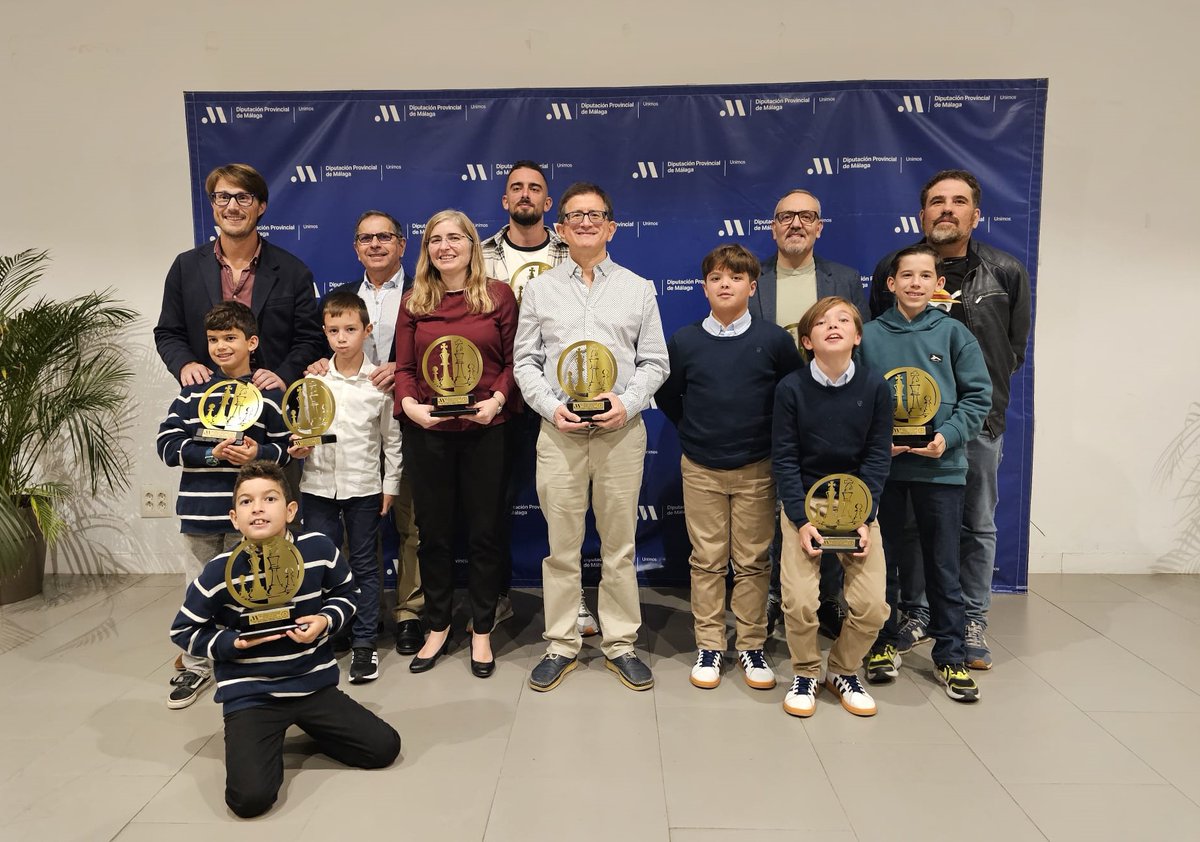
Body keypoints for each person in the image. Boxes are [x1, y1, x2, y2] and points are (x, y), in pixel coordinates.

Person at [169, 461, 401, 818]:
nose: (258, 508)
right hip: (252, 696)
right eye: (246, 502)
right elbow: (183, 630)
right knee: (249, 801)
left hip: (313, 687)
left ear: (290, 510)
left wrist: (325, 619)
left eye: (269, 498)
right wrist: (232, 644)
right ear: (234, 517)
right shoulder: (219, 570)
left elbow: (348, 592)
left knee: (384, 748)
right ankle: (263, 736)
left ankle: (311, 726)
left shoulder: (318, 549)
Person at [869, 170, 1031, 670]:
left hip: (976, 426)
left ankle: (970, 619)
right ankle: (916, 614)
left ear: (975, 214)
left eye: (958, 202)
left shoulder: (1004, 271)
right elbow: (883, 347)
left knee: (976, 524)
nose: (947, 209)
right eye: (936, 202)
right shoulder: (890, 268)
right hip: (904, 434)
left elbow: (1014, 349)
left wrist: (962, 415)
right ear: (922, 214)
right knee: (910, 526)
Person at [514, 182, 669, 692]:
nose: (584, 222)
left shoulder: (638, 287)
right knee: (561, 547)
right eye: (574, 216)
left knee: (619, 546)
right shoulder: (539, 289)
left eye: (595, 215)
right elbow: (526, 362)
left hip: (621, 434)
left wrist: (625, 403)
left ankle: (621, 643)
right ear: (560, 228)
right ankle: (561, 643)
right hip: (558, 434)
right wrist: (552, 408)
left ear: (611, 226)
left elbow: (655, 362)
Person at [656, 244, 799, 691]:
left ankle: (752, 644)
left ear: (752, 287)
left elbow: (791, 396)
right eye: (716, 277)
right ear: (704, 287)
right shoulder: (684, 341)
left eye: (735, 278)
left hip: (757, 467)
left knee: (754, 562)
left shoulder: (774, 340)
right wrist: (695, 432)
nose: (725, 284)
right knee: (707, 561)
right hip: (701, 467)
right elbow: (667, 396)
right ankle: (710, 644)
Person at [861, 245, 991, 702]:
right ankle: (881, 644)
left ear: (938, 284)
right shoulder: (869, 336)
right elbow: (856, 397)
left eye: (925, 276)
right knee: (884, 563)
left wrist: (948, 437)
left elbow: (978, 397)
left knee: (943, 564)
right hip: (885, 470)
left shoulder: (954, 334)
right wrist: (877, 441)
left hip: (942, 468)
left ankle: (951, 656)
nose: (916, 283)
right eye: (907, 275)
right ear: (891, 283)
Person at [394, 210, 518, 679]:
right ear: (427, 250)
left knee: (486, 533)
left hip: (488, 428)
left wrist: (498, 399)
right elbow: (404, 370)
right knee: (435, 534)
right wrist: (410, 407)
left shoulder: (498, 296)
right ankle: (438, 625)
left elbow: (514, 361)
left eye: (455, 238)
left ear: (472, 244)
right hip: (429, 434)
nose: (445, 246)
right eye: (435, 240)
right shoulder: (414, 302)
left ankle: (481, 630)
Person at [480, 160, 599, 638]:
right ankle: (499, 595)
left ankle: (578, 603)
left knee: (571, 506)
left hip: (562, 397)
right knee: (495, 503)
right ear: (505, 201)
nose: (525, 195)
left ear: (550, 204)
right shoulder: (480, 255)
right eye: (516, 189)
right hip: (495, 396)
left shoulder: (574, 252)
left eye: (535, 189)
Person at [156, 301, 291, 709]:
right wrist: (213, 455)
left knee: (251, 587)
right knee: (199, 587)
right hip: (198, 514)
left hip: (250, 520)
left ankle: (247, 657)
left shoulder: (268, 395)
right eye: (214, 340)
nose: (221, 347)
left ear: (252, 342)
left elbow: (283, 449)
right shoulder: (191, 393)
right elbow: (166, 446)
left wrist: (256, 454)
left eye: (230, 338)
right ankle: (197, 665)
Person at [754, 189, 869, 641]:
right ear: (773, 226)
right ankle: (771, 599)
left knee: (832, 505)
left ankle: (826, 601)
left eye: (807, 216)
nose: (796, 224)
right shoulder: (753, 278)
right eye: (786, 216)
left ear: (820, 226)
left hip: (833, 417)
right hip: (769, 415)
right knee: (770, 513)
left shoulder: (843, 279)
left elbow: (865, 348)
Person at [310, 210, 424, 658]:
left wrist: (404, 366)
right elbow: (324, 347)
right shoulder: (343, 300)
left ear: (401, 244)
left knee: (411, 522)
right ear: (356, 247)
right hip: (352, 425)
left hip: (409, 418)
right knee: (352, 532)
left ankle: (410, 613)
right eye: (365, 238)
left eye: (384, 237)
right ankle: (354, 615)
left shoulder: (423, 293)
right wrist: (322, 364)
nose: (375, 245)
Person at [771, 297, 891, 717]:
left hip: (857, 508)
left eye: (844, 320)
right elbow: (784, 458)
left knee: (873, 606)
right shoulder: (790, 389)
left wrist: (865, 517)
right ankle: (805, 670)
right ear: (807, 340)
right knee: (801, 601)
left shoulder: (876, 387)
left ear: (858, 336)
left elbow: (877, 456)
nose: (833, 326)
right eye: (821, 323)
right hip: (807, 506)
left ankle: (842, 669)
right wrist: (801, 521)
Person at [290, 290, 402, 684]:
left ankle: (365, 643)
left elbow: (392, 441)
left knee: (366, 566)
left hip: (364, 487)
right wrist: (299, 449)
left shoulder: (378, 386)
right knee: (319, 564)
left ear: (367, 331)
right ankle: (324, 637)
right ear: (324, 332)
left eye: (350, 329)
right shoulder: (314, 380)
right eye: (334, 330)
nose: (342, 338)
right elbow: (302, 434)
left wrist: (391, 485)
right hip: (318, 486)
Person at [154, 162, 325, 391]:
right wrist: (186, 364)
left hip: (270, 401)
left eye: (243, 198)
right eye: (223, 197)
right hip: (206, 397)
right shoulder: (186, 267)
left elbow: (309, 339)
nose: (232, 207)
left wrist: (284, 376)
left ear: (261, 206)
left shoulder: (293, 271)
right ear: (213, 205)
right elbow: (168, 332)